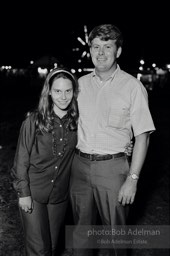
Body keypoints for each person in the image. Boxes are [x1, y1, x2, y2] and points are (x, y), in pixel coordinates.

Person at [69, 24, 156, 256]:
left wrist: (133, 179)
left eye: (107, 47)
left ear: (118, 51)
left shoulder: (132, 87)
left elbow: (142, 136)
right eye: (96, 46)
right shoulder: (79, 85)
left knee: (116, 236)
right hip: (79, 166)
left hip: (113, 168)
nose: (100, 53)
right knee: (81, 233)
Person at [11, 67, 79, 256]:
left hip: (59, 195)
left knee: (52, 248)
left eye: (68, 91)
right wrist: (23, 193)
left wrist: (126, 147)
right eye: (58, 91)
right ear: (49, 91)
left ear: (74, 92)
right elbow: (21, 160)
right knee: (39, 250)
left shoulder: (77, 122)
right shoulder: (33, 121)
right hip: (33, 193)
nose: (63, 96)